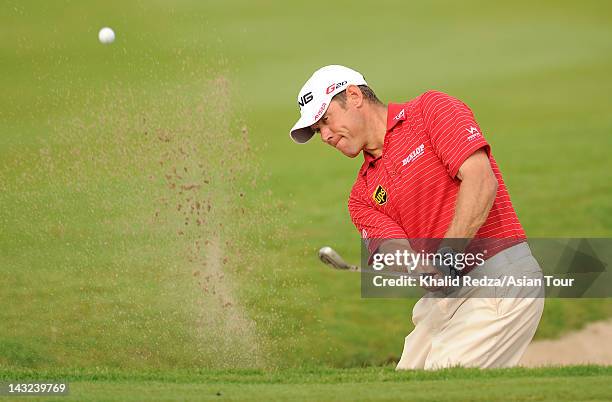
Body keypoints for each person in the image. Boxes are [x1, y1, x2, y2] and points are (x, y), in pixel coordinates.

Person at [289, 65, 544, 369]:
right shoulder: (361, 195)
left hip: (499, 280)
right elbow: (390, 248)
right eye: (318, 130)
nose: (325, 136)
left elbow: (481, 180)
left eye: (326, 120)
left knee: (442, 389)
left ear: (354, 96)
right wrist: (417, 265)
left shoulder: (430, 110)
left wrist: (447, 255)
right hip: (439, 301)